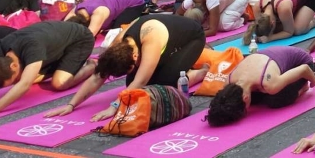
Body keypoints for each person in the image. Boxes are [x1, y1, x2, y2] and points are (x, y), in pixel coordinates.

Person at [45, 15, 208, 121]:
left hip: (191, 38)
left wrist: (114, 107)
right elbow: (97, 76)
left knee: (164, 86)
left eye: (132, 67)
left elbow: (141, 79)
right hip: (163, 40)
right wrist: (71, 105)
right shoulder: (118, 44)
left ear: (135, 57)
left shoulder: (151, 39)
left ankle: (198, 72)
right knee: (131, 85)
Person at [205, 47, 315, 126]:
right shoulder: (228, 82)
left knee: (275, 99)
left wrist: (314, 80)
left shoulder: (269, 83)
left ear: (245, 99)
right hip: (272, 59)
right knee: (258, 98)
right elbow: (224, 104)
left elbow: (304, 69)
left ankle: (302, 88)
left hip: (301, 62)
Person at [0, 22, 96, 113]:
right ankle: (64, 68)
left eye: (14, 79)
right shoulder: (1, 47)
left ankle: (91, 66)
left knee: (60, 83)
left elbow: (25, 84)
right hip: (53, 43)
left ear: (13, 66)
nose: (15, 82)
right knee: (26, 77)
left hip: (80, 40)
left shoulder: (32, 47)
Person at [246, 0, 315, 45]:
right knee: (279, 28)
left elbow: (289, 32)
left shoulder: (283, 8)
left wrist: (270, 38)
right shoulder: (257, 7)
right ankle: (297, 17)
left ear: (273, 22)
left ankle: (312, 22)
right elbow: (259, 25)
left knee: (297, 30)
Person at [176, 0, 250, 37]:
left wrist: (191, 36)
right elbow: (177, 14)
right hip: (225, 0)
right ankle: (234, 13)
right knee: (206, 25)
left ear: (205, 14)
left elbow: (212, 31)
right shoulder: (189, 2)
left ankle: (243, 18)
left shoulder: (211, 0)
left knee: (223, 25)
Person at [66, 0, 146, 36]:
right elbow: (64, 25)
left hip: (133, 0)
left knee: (115, 32)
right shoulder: (75, 10)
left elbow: (89, 35)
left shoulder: (99, 12)